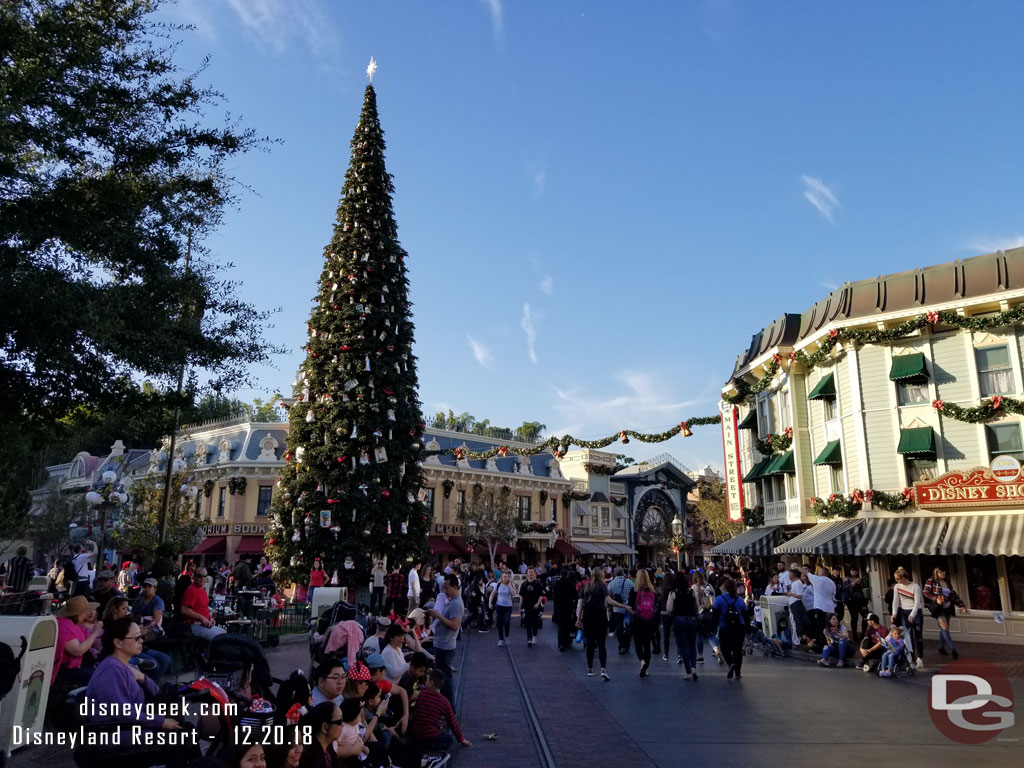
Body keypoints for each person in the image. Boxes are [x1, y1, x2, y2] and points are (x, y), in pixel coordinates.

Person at [85, 617, 196, 767]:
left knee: (186, 730)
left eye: (141, 637)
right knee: (181, 738)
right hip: (117, 734)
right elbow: (122, 712)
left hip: (130, 727)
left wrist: (143, 678)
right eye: (136, 638)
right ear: (117, 643)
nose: (141, 641)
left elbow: (156, 692)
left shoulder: (125, 665)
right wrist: (160, 722)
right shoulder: (111, 670)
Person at [576, 566, 630, 681]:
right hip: (599, 615)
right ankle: (603, 669)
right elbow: (609, 601)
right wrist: (624, 606)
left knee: (590, 643)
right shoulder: (602, 586)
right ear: (601, 575)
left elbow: (581, 603)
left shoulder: (586, 586)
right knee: (601, 644)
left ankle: (590, 669)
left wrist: (579, 618)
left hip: (587, 616)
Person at [407, 669, 472, 754]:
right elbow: (452, 721)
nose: (425, 681)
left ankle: (419, 745)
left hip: (417, 734)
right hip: (430, 735)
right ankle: (431, 748)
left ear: (431, 683)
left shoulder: (421, 695)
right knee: (449, 740)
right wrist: (461, 739)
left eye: (427, 680)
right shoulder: (444, 701)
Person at [426, 574, 462, 706]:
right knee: (444, 677)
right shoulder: (452, 601)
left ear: (454, 586)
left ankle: (450, 708)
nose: (445, 591)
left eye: (447, 588)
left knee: (445, 679)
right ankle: (447, 708)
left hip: (445, 646)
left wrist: (438, 616)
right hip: (442, 644)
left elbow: (454, 625)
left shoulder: (456, 604)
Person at [53, 594, 102, 685]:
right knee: (97, 678)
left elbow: (89, 642)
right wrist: (95, 632)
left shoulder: (75, 624)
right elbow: (77, 650)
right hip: (67, 669)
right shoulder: (64, 626)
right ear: (80, 613)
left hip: (78, 665)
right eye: (86, 611)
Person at [712, 577, 750, 680]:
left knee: (725, 648)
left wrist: (713, 627)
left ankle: (731, 663)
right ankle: (738, 673)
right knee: (737, 650)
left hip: (725, 627)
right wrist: (748, 628)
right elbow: (746, 614)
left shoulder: (720, 599)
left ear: (725, 587)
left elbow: (715, 614)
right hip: (739, 627)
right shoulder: (740, 600)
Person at [924, 566, 965, 660]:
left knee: (944, 629)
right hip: (939, 609)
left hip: (948, 608)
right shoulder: (931, 581)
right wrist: (936, 598)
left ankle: (941, 647)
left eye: (944, 572)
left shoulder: (947, 582)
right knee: (945, 628)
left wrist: (961, 605)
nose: (943, 574)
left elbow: (953, 595)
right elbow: (926, 592)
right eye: (941, 572)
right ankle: (953, 650)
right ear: (936, 572)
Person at [666, 571, 700, 681]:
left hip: (679, 620)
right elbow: (698, 607)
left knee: (683, 647)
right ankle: (694, 667)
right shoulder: (691, 592)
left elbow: (669, 609)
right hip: (691, 620)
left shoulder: (673, 593)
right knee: (692, 645)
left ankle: (688, 672)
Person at [890, 566, 924, 669]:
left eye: (898, 578)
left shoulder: (915, 587)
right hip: (904, 612)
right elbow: (895, 600)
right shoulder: (897, 587)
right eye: (895, 579)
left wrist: (912, 614)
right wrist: (894, 613)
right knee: (908, 636)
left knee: (918, 636)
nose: (896, 581)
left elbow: (917, 602)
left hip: (916, 612)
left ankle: (920, 658)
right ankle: (911, 658)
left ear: (904, 577)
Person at [628, 569, 659, 678]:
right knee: (647, 644)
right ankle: (646, 670)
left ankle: (642, 662)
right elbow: (655, 606)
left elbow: (631, 605)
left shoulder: (634, 590)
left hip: (637, 619)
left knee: (637, 643)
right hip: (649, 620)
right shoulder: (652, 590)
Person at [179, 567, 225, 640]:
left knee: (225, 634)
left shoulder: (202, 591)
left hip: (204, 624)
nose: (202, 578)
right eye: (199, 576)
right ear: (194, 577)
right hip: (195, 625)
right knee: (221, 638)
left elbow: (203, 608)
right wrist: (202, 618)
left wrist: (210, 618)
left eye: (204, 576)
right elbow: (184, 610)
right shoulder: (191, 590)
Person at [298, 701, 343, 768]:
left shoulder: (328, 747)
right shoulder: (311, 757)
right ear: (324, 727)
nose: (342, 725)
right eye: (339, 722)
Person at [803, 564, 836, 647]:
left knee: (821, 628)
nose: (817, 573)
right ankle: (832, 643)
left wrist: (796, 567)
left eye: (819, 572)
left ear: (822, 573)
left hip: (821, 608)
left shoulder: (819, 580)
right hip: (830, 608)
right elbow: (833, 595)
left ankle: (823, 644)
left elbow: (806, 573)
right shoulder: (832, 583)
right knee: (830, 627)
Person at [606, 566, 633, 655]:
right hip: (628, 608)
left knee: (619, 627)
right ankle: (627, 644)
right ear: (623, 573)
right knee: (628, 627)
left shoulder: (611, 584)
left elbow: (608, 596)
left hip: (617, 609)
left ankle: (621, 645)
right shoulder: (630, 583)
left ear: (614, 573)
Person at [488, 570, 516, 647]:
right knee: (500, 623)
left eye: (506, 577)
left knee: (506, 621)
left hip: (508, 606)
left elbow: (514, 594)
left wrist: (510, 584)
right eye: (504, 577)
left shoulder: (511, 584)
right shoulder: (498, 584)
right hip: (499, 606)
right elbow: (492, 594)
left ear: (509, 578)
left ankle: (506, 635)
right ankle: (501, 639)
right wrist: (490, 603)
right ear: (501, 577)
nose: (505, 578)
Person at [519, 567, 545, 647]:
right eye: (529, 572)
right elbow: (521, 596)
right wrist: (520, 607)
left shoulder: (538, 584)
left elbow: (541, 595)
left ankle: (534, 636)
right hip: (527, 606)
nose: (530, 573)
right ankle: (529, 639)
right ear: (527, 574)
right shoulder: (524, 584)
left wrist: (538, 603)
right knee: (528, 622)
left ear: (535, 574)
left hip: (535, 606)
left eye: (532, 572)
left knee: (535, 622)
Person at [843, 568, 868, 641]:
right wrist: (854, 582)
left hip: (861, 600)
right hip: (851, 601)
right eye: (853, 570)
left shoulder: (859, 578)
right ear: (850, 571)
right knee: (854, 617)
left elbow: (864, 587)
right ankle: (855, 635)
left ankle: (863, 634)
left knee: (865, 616)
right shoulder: (846, 579)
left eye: (856, 570)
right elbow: (846, 589)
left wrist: (861, 582)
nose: (855, 572)